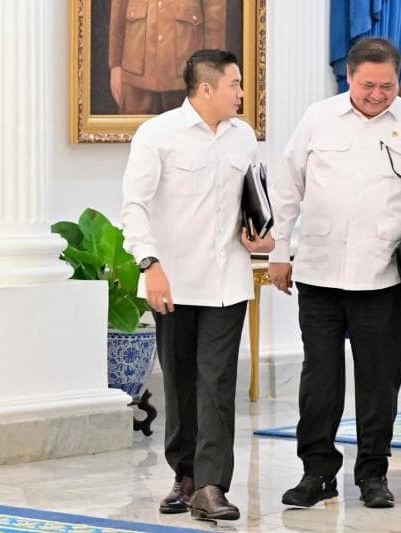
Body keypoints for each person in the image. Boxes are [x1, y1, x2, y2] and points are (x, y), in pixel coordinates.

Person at [268, 37, 401, 509]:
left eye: (387, 86)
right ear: (349, 77)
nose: (377, 95)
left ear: (399, 80)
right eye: (368, 85)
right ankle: (316, 472)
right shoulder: (318, 118)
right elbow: (288, 189)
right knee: (319, 380)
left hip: (386, 277)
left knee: (380, 382)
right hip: (320, 272)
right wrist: (279, 251)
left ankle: (373, 473)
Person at [120, 48, 274, 521]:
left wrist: (262, 237)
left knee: (217, 383)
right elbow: (134, 206)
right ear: (206, 89)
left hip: (228, 283)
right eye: (235, 84)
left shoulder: (243, 137)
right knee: (181, 382)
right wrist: (149, 264)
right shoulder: (157, 135)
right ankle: (184, 477)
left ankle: (211, 486)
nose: (242, 93)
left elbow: (256, 201)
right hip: (173, 282)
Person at [109, 0, 226, 115]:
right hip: (135, 69)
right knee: (134, 126)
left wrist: (212, 69)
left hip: (186, 70)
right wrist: (115, 64)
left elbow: (214, 12)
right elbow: (118, 5)